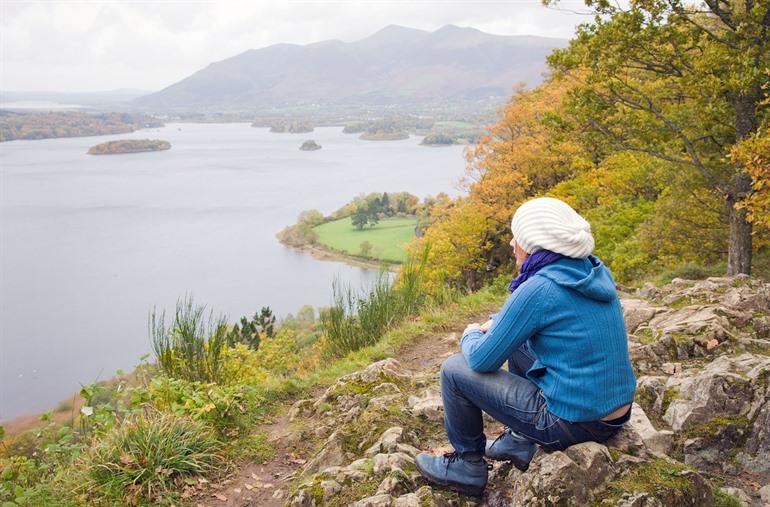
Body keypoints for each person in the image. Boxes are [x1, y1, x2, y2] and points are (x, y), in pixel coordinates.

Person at [414, 197, 637, 496]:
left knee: (454, 369)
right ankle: (520, 440)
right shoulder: (589, 270)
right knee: (518, 344)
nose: (511, 243)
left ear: (534, 244)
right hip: (615, 413)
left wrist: (469, 334)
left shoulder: (540, 288)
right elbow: (535, 317)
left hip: (574, 423)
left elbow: (480, 359)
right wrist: (500, 322)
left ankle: (468, 466)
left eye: (516, 237)